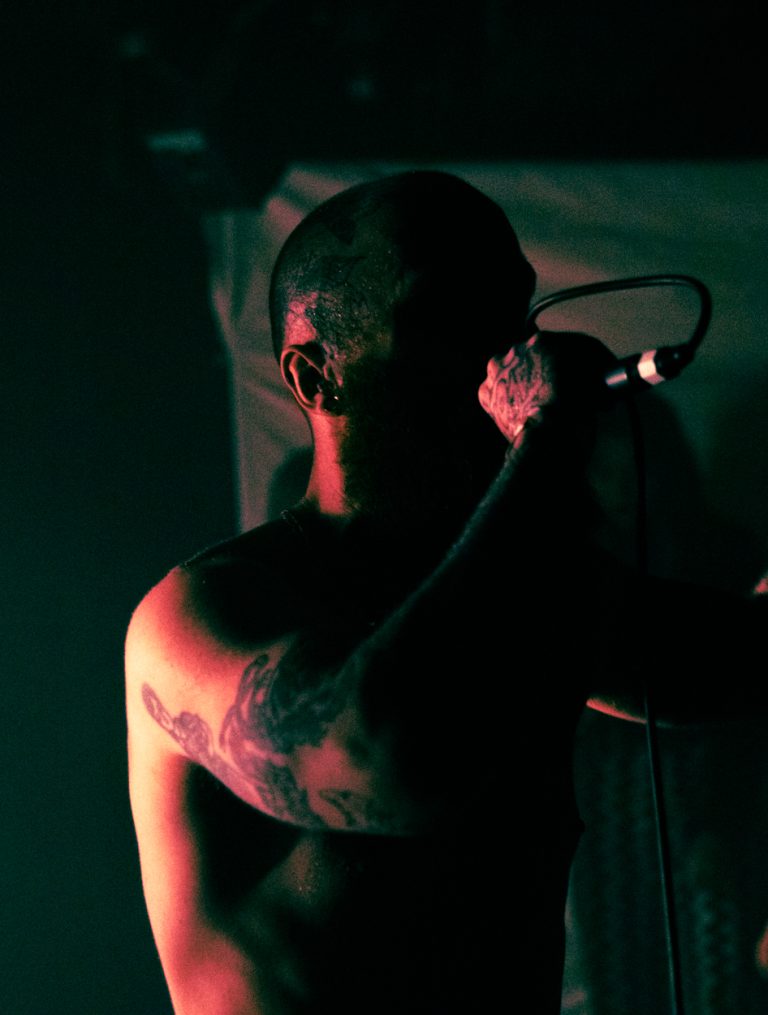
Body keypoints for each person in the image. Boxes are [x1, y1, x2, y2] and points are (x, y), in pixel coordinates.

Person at [125, 170, 765, 1014]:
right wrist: (543, 441)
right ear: (317, 378)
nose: (506, 350)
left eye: (513, 309)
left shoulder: (528, 587)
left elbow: (734, 662)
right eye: (442, 316)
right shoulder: (198, 616)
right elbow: (387, 759)